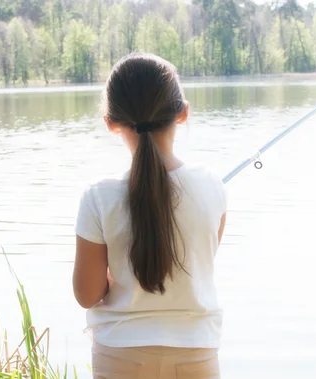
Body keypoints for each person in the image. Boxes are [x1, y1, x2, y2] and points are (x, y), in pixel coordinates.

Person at [72, 52, 228, 379]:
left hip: (120, 357)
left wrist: (114, 277)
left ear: (111, 122)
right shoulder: (213, 185)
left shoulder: (97, 197)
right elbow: (202, 260)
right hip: (196, 353)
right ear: (183, 112)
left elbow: (87, 295)